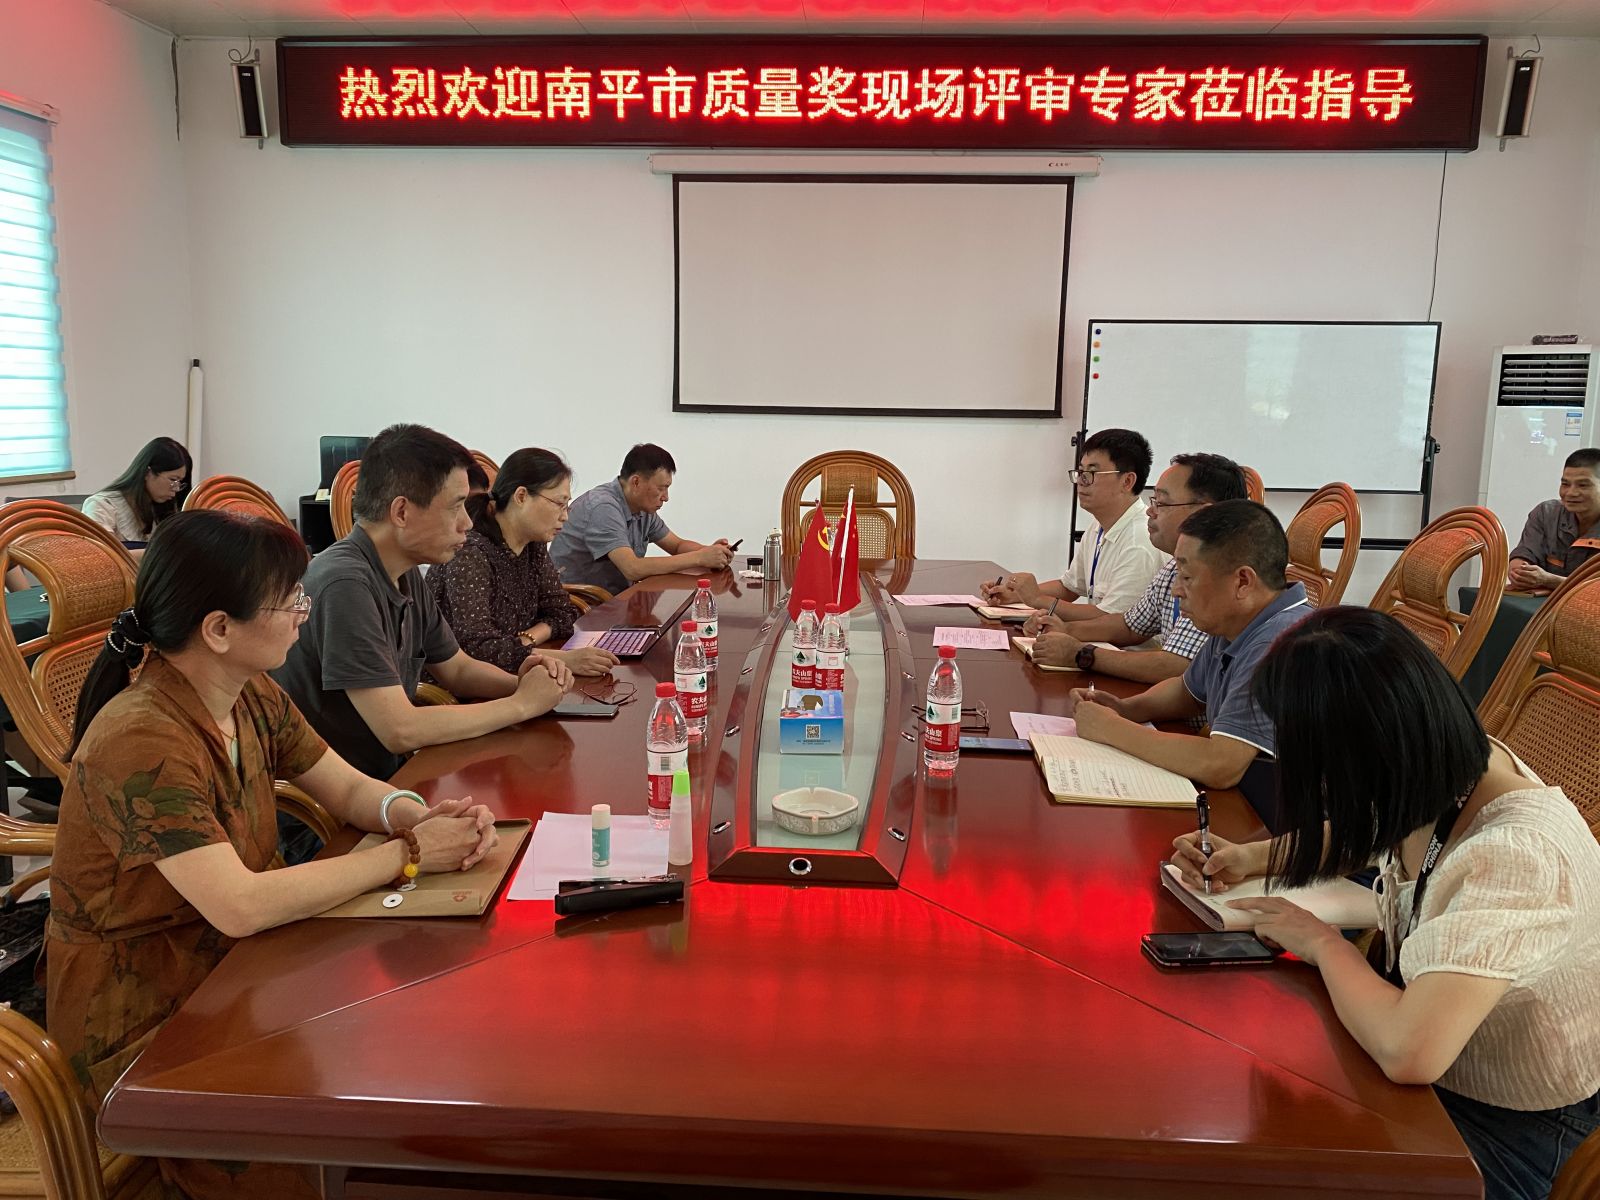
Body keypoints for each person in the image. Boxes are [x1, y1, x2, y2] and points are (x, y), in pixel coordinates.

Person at [47, 509, 499, 1200]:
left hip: (244, 964)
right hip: (148, 1016)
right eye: (289, 602)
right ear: (218, 629)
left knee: (417, 1042)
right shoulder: (143, 738)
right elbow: (239, 904)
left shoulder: (248, 692)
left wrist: (418, 814)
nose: (301, 616)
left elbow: (347, 787)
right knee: (344, 1106)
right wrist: (409, 854)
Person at [1169, 608, 1600, 1200]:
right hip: (1437, 1067)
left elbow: (1408, 1052)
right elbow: (1374, 825)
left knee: (1264, 1156)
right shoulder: (1449, 768)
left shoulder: (1516, 855)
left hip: (1510, 1124)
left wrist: (1321, 942)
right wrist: (1251, 857)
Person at [272, 424, 571, 785]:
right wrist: (521, 704)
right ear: (401, 512)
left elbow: (457, 669)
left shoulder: (403, 570)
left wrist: (523, 683)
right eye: (456, 506)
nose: (467, 522)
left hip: (388, 778)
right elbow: (400, 730)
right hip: (335, 803)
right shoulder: (345, 584)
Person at [1063, 501, 1310, 821]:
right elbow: (1187, 692)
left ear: (1242, 582)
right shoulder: (1238, 621)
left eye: (1188, 577)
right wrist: (1126, 709)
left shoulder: (1280, 642)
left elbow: (1221, 764)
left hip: (1290, 825)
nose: (1177, 591)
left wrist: (1111, 728)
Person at [1027, 453, 1248, 679]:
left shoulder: (1222, 576)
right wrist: (1065, 629)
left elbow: (1177, 666)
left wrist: (1081, 654)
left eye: (1161, 503)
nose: (1150, 511)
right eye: (1153, 501)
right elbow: (1130, 626)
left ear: (1204, 514)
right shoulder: (1173, 567)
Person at [427, 447, 620, 678]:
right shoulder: (469, 552)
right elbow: (478, 649)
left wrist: (526, 639)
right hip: (464, 686)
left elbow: (563, 612)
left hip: (518, 668)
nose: (565, 516)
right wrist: (562, 659)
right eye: (559, 504)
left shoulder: (532, 544)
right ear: (521, 496)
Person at [979, 428, 1163, 622]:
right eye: (1081, 472)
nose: (1081, 482)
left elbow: (1113, 620)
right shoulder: (1098, 526)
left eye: (1092, 473)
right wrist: (1016, 595)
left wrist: (1037, 600)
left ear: (1127, 481)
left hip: (1118, 641)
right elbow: (1069, 587)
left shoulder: (1140, 541)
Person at [550, 443, 733, 596]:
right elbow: (632, 568)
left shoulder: (642, 508)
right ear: (636, 482)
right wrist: (700, 558)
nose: (666, 497)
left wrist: (711, 552)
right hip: (582, 604)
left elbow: (677, 545)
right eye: (661, 488)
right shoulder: (603, 507)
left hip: (616, 599)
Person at [1507, 447, 1600, 591]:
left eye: (1583, 485)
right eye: (1565, 484)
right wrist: (1519, 571)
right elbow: (1526, 552)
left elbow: (1595, 588)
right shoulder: (1546, 513)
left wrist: (1549, 580)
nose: (1571, 493)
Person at [81, 436, 192, 552]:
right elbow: (106, 555)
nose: (176, 488)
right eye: (173, 480)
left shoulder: (163, 509)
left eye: (180, 482)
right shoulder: (101, 505)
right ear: (147, 472)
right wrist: (164, 553)